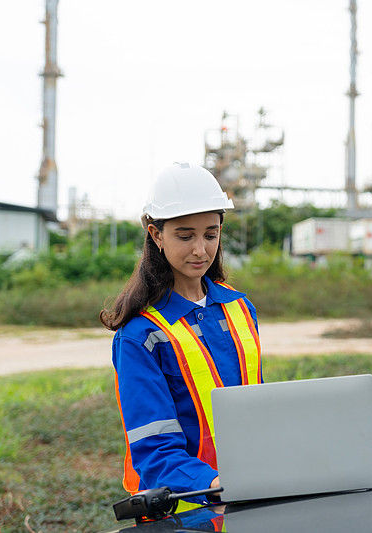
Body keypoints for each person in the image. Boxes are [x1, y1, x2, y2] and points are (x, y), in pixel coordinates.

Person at [100, 162, 262, 509]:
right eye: (185, 236)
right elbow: (154, 450)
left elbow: (258, 410)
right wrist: (216, 484)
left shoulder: (240, 309)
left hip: (252, 495)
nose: (200, 250)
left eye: (211, 234)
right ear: (156, 235)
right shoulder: (140, 336)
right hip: (185, 509)